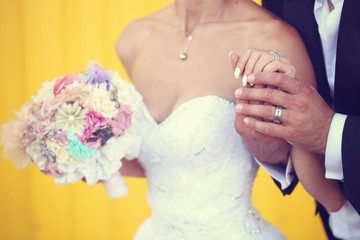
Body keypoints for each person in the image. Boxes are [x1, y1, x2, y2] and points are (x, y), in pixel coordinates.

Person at [114, 0, 344, 239]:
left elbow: (330, 193)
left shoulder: (272, 37)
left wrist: (277, 140)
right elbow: (167, 159)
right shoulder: (134, 39)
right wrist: (90, 157)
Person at [233, 0, 360, 239]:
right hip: (336, 221)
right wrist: (271, 145)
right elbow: (294, 126)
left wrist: (329, 132)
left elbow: (319, 128)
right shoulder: (278, 4)